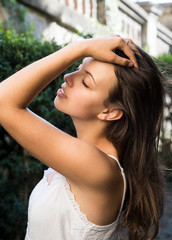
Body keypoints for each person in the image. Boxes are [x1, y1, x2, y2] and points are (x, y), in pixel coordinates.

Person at [0, 36, 165, 240]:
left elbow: (2, 102)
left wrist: (80, 47)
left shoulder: (97, 166)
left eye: (86, 82)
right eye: (78, 66)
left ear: (110, 112)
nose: (69, 76)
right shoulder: (85, 156)